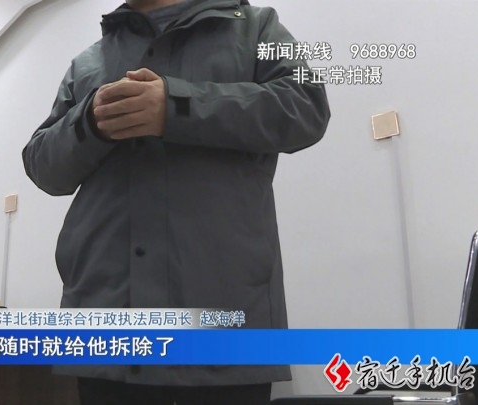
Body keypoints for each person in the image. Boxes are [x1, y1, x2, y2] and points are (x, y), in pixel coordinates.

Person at [22, 0, 331, 403]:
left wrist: (178, 105)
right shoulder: (87, 63)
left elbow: (306, 106)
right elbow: (42, 165)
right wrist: (90, 121)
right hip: (106, 328)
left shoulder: (256, 27)